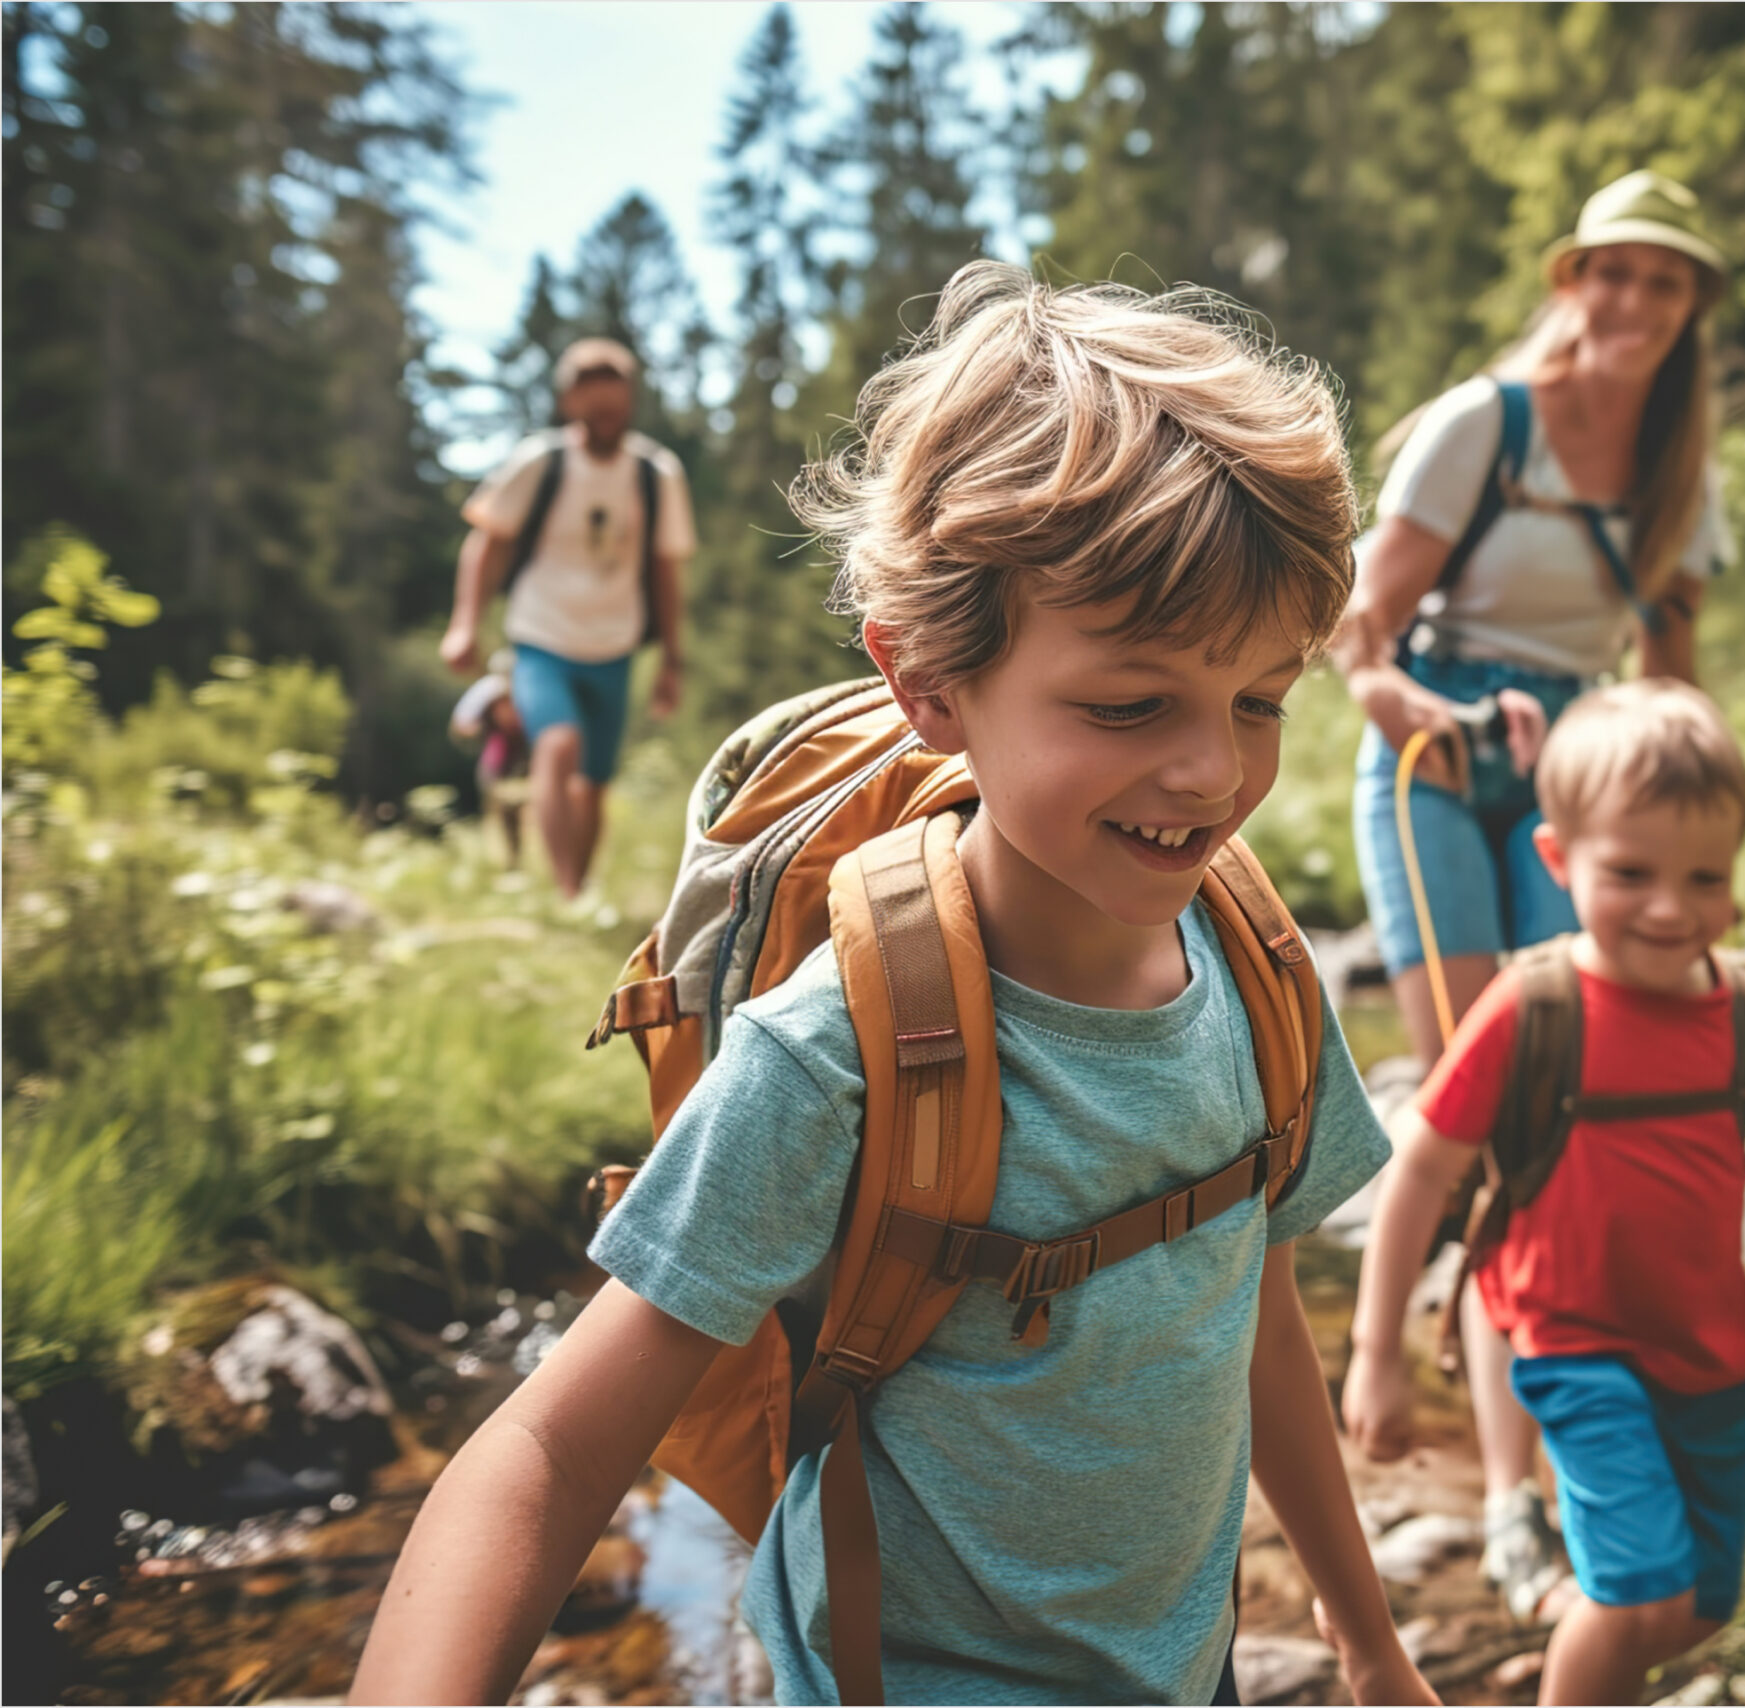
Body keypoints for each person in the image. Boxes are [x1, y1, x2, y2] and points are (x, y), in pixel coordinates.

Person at [352, 265, 1436, 1708]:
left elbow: (1251, 1309)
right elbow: (550, 1452)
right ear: (929, 680)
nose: (1212, 773)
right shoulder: (841, 1058)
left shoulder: (1250, 967)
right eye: (1129, 704)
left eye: (1259, 702)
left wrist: (1370, 1647)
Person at [1326, 168, 1739, 1620]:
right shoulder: (1478, 426)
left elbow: (1670, 681)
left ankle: (1533, 1464)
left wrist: (1689, 823)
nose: (1632, 302)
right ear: (1571, 282)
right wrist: (1409, 716)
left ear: (1690, 309)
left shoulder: (1681, 472)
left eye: (1665, 281)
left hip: (1576, 766)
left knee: (1568, 1109)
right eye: (1611, 273)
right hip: (1439, 751)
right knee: (1496, 1102)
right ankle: (1504, 1490)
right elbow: (1359, 633)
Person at [1338, 681, 1745, 1707]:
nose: (1670, 907)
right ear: (1558, 861)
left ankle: (1564, 1607)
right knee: (1639, 1594)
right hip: (1571, 1343)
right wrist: (1375, 1352)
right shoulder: (1533, 1006)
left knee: (1700, 1604)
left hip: (1709, 1350)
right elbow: (1421, 1169)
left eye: (1706, 876)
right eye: (1630, 871)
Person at [439, 336, 696, 898]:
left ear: (631, 402)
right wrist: (465, 623)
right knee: (557, 745)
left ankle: (577, 890)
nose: (608, 418)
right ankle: (565, 892)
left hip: (615, 644)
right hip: (540, 637)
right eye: (595, 406)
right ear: (570, 403)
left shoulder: (656, 474)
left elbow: (664, 572)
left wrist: (672, 660)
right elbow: (487, 543)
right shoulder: (541, 462)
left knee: (595, 784)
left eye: (617, 406)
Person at [447, 649, 530, 869]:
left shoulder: (528, 688)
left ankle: (520, 865)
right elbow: (461, 724)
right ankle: (508, 866)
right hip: (498, 765)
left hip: (527, 765)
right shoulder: (487, 691)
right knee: (500, 821)